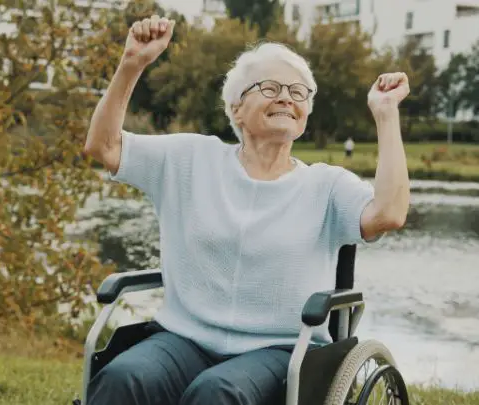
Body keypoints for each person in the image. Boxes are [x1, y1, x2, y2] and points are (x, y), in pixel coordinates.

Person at [82, 14, 411, 405]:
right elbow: (104, 147)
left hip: (280, 349)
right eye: (270, 87)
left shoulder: (326, 185)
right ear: (237, 108)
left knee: (217, 393)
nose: (287, 97)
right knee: (123, 377)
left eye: (299, 92)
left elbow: (389, 212)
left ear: (305, 113)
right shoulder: (190, 159)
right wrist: (132, 64)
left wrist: (387, 114)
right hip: (184, 340)